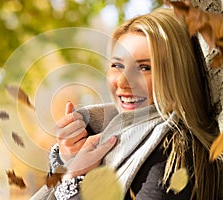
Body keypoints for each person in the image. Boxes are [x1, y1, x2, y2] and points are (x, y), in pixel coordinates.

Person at [31, 8, 222, 200]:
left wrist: (75, 178)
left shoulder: (173, 155)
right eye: (117, 65)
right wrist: (66, 158)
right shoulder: (105, 129)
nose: (122, 82)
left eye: (144, 68)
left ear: (176, 75)